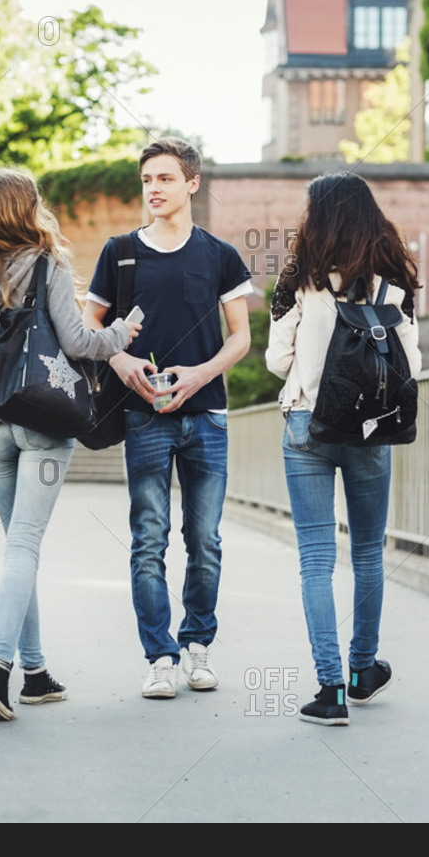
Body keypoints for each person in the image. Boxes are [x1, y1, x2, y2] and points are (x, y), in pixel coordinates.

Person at [0, 168, 139, 722]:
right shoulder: (45, 262)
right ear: (25, 210)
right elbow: (78, 342)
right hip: (43, 423)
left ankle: (36, 673)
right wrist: (123, 332)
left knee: (16, 550)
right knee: (23, 547)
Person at [83, 137, 253, 698]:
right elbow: (90, 332)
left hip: (208, 415)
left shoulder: (220, 255)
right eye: (147, 180)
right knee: (147, 539)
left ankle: (199, 645)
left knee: (204, 539)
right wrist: (123, 357)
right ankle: (160, 656)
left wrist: (201, 374)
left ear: (191, 184)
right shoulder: (119, 252)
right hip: (143, 416)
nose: (153, 189)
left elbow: (242, 338)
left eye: (164, 179)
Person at [265, 172, 422, 726]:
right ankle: (362, 671)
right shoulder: (395, 280)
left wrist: (316, 359)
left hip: (307, 423)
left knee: (315, 559)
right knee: (368, 552)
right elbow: (413, 366)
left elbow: (276, 362)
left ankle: (328, 691)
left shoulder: (298, 277)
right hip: (370, 430)